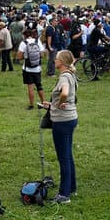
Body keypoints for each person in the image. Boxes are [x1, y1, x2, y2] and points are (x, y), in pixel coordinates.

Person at [42, 50, 78, 204]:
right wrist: (52, 104)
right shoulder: (71, 75)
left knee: (63, 157)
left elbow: (65, 92)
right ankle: (71, 187)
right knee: (68, 155)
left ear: (62, 62)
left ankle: (64, 194)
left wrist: (58, 103)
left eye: (56, 58)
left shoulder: (64, 76)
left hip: (62, 121)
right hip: (70, 118)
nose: (54, 60)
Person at [17, 28, 46, 110]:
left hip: (27, 68)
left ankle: (31, 104)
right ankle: (43, 102)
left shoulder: (23, 43)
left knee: (30, 87)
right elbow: (42, 54)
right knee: (39, 85)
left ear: (24, 35)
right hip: (37, 68)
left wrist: (25, 56)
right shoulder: (37, 41)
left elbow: (19, 57)